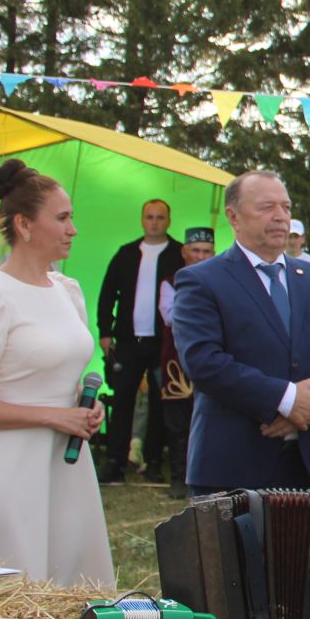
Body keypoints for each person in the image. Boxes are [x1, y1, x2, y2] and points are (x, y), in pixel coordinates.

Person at [0, 159, 115, 587]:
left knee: (67, 593)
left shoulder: (67, 291)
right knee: (9, 598)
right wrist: (51, 416)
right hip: (8, 470)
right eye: (63, 218)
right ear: (25, 225)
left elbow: (65, 374)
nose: (73, 229)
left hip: (66, 468)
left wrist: (85, 408)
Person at [171, 172, 310, 493]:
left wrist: (309, 406)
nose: (280, 217)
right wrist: (286, 400)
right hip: (233, 464)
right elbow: (203, 361)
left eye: (286, 208)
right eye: (266, 207)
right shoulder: (202, 281)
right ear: (233, 216)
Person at [96, 197, 182, 484]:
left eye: (160, 217)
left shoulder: (178, 254)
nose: (154, 222)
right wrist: (105, 332)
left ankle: (155, 461)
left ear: (168, 221)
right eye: (149, 217)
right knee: (122, 401)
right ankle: (114, 462)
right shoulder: (126, 254)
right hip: (128, 341)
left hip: (162, 343)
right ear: (142, 220)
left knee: (160, 403)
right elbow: (107, 294)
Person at [155, 226, 216, 498]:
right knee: (178, 421)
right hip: (177, 362)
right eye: (195, 251)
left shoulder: (222, 280)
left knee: (211, 417)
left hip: (214, 357)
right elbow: (170, 316)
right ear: (184, 252)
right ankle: (180, 477)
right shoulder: (170, 282)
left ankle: (208, 474)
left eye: (206, 252)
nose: (201, 257)